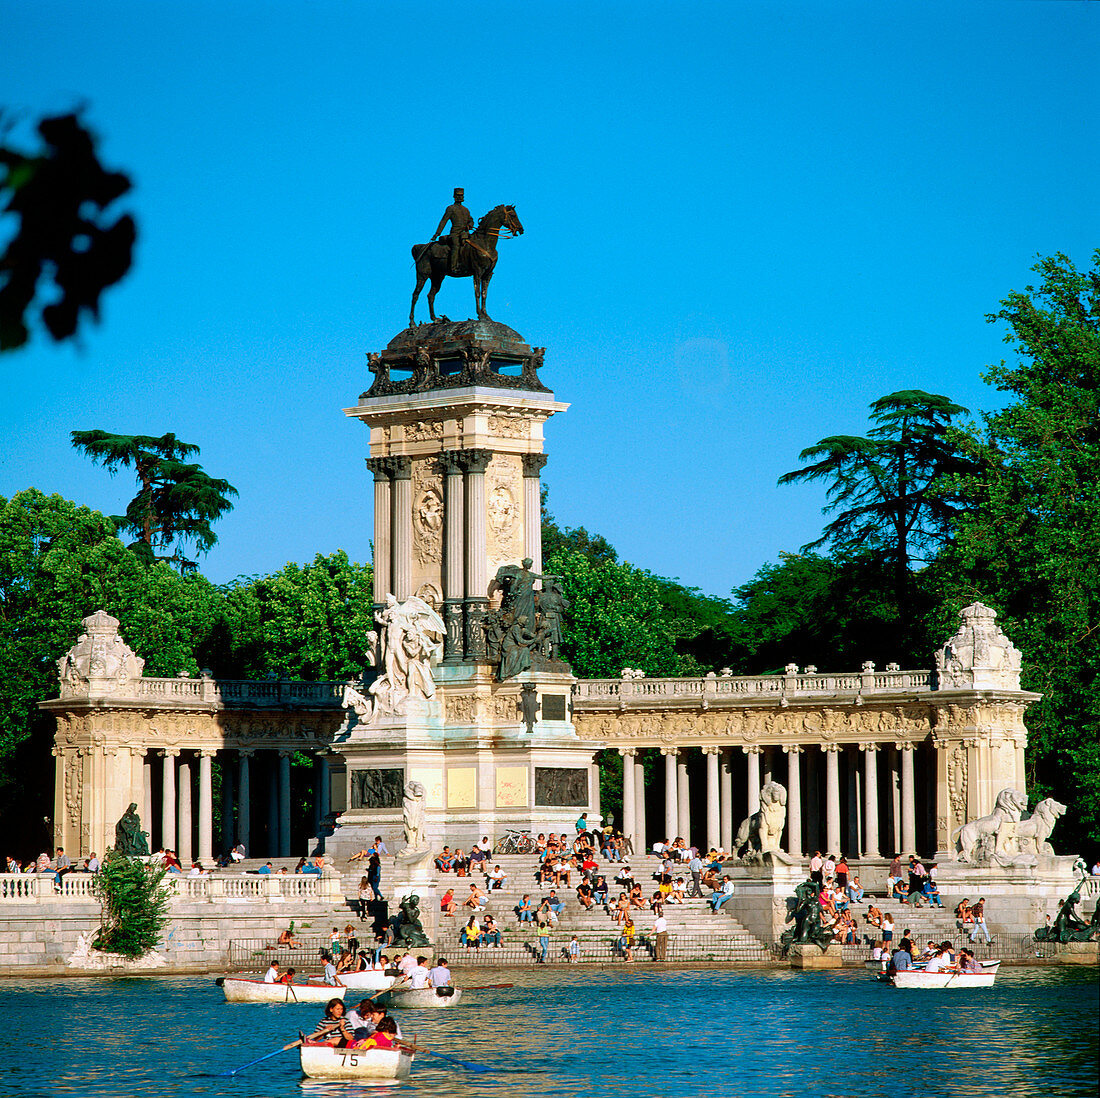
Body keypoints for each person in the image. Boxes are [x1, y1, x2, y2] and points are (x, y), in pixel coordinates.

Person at [432, 187, 474, 274]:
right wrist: (437, 233)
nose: (460, 197)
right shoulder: (451, 208)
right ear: (454, 196)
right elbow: (444, 221)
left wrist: (470, 224)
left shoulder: (466, 210)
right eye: (458, 196)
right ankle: (453, 267)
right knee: (456, 246)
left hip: (465, 233)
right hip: (455, 234)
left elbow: (471, 220)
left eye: (461, 196)